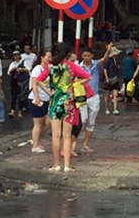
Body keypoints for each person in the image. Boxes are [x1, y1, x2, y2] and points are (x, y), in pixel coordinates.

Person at [36, 43, 91, 173]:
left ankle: (56, 164)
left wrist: (50, 93)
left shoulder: (50, 67)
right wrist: (74, 84)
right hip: (69, 102)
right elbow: (88, 77)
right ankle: (67, 165)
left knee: (56, 135)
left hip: (55, 102)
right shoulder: (71, 67)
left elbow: (38, 80)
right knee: (67, 136)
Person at [78, 43, 113, 153]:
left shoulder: (96, 65)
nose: (86, 58)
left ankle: (85, 144)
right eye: (84, 56)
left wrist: (108, 51)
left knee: (91, 121)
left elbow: (104, 59)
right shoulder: (78, 67)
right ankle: (73, 142)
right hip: (82, 96)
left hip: (94, 95)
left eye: (88, 55)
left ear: (92, 55)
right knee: (81, 120)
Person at [29, 49, 52, 153]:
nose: (49, 59)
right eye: (48, 57)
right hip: (36, 99)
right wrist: (36, 96)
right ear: (42, 57)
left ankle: (37, 140)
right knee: (38, 123)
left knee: (47, 122)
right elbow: (34, 83)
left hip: (46, 99)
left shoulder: (49, 69)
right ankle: (35, 145)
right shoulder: (37, 69)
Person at [103, 46, 122, 115]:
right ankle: (107, 108)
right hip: (109, 78)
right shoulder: (108, 61)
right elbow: (105, 69)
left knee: (115, 94)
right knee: (107, 94)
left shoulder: (117, 61)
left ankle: (115, 109)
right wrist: (107, 77)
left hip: (115, 79)